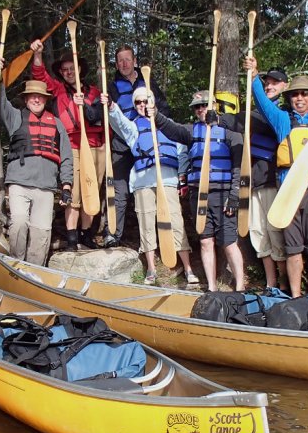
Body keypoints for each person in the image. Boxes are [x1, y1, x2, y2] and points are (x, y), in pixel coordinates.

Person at [245, 58, 308, 297]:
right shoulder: (282, 120)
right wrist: (254, 75)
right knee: (293, 249)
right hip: (288, 194)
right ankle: (295, 296)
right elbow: (260, 101)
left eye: (304, 94)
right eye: (295, 95)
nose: (299, 98)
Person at [105, 86, 197, 285]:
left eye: (145, 101)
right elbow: (118, 121)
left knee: (176, 223)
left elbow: (182, 151)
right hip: (143, 182)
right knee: (146, 224)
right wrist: (111, 106)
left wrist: (182, 176)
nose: (142, 105)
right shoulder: (133, 127)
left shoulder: (168, 125)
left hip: (168, 180)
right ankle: (151, 269)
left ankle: (188, 269)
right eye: (138, 102)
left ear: (153, 102)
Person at [156, 90, 245, 291]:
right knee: (206, 241)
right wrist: (155, 114)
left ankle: (240, 287)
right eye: (197, 107)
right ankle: (212, 287)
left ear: (214, 105)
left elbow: (238, 167)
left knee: (229, 242)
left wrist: (234, 195)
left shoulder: (230, 132)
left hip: (223, 194)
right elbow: (170, 128)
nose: (201, 110)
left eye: (205, 105)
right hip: (199, 194)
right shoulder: (191, 131)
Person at [0, 55, 73, 265]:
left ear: (46, 99)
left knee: (41, 232)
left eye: (40, 96)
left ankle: (34, 271)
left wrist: (66, 185)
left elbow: (66, 156)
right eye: (32, 96)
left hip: (46, 186)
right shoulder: (16, 117)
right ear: (26, 99)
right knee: (19, 223)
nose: (36, 99)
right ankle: (16, 264)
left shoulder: (56, 123)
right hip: (19, 183)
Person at [29, 42, 105, 250]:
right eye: (65, 70)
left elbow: (103, 119)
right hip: (72, 144)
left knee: (92, 191)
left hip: (96, 146)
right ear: (61, 73)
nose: (70, 73)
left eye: (73, 69)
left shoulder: (95, 92)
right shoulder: (59, 89)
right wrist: (38, 54)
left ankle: (86, 235)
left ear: (79, 70)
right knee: (73, 193)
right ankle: (72, 238)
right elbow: (40, 76)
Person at [219, 69, 289, 290]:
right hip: (253, 181)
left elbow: (250, 121)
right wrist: (218, 119)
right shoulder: (255, 113)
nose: (270, 86)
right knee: (258, 235)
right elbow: (243, 121)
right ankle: (271, 284)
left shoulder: (281, 113)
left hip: (271, 181)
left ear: (285, 86)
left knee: (275, 234)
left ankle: (285, 284)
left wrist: (224, 119)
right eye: (266, 83)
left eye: (275, 83)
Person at [104, 46, 170, 247]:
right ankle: (112, 234)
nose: (124, 64)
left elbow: (164, 109)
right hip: (122, 145)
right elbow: (102, 114)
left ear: (134, 61)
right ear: (117, 64)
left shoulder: (148, 82)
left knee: (152, 189)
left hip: (146, 145)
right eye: (120, 61)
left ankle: (159, 239)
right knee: (120, 193)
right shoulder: (112, 87)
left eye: (127, 60)